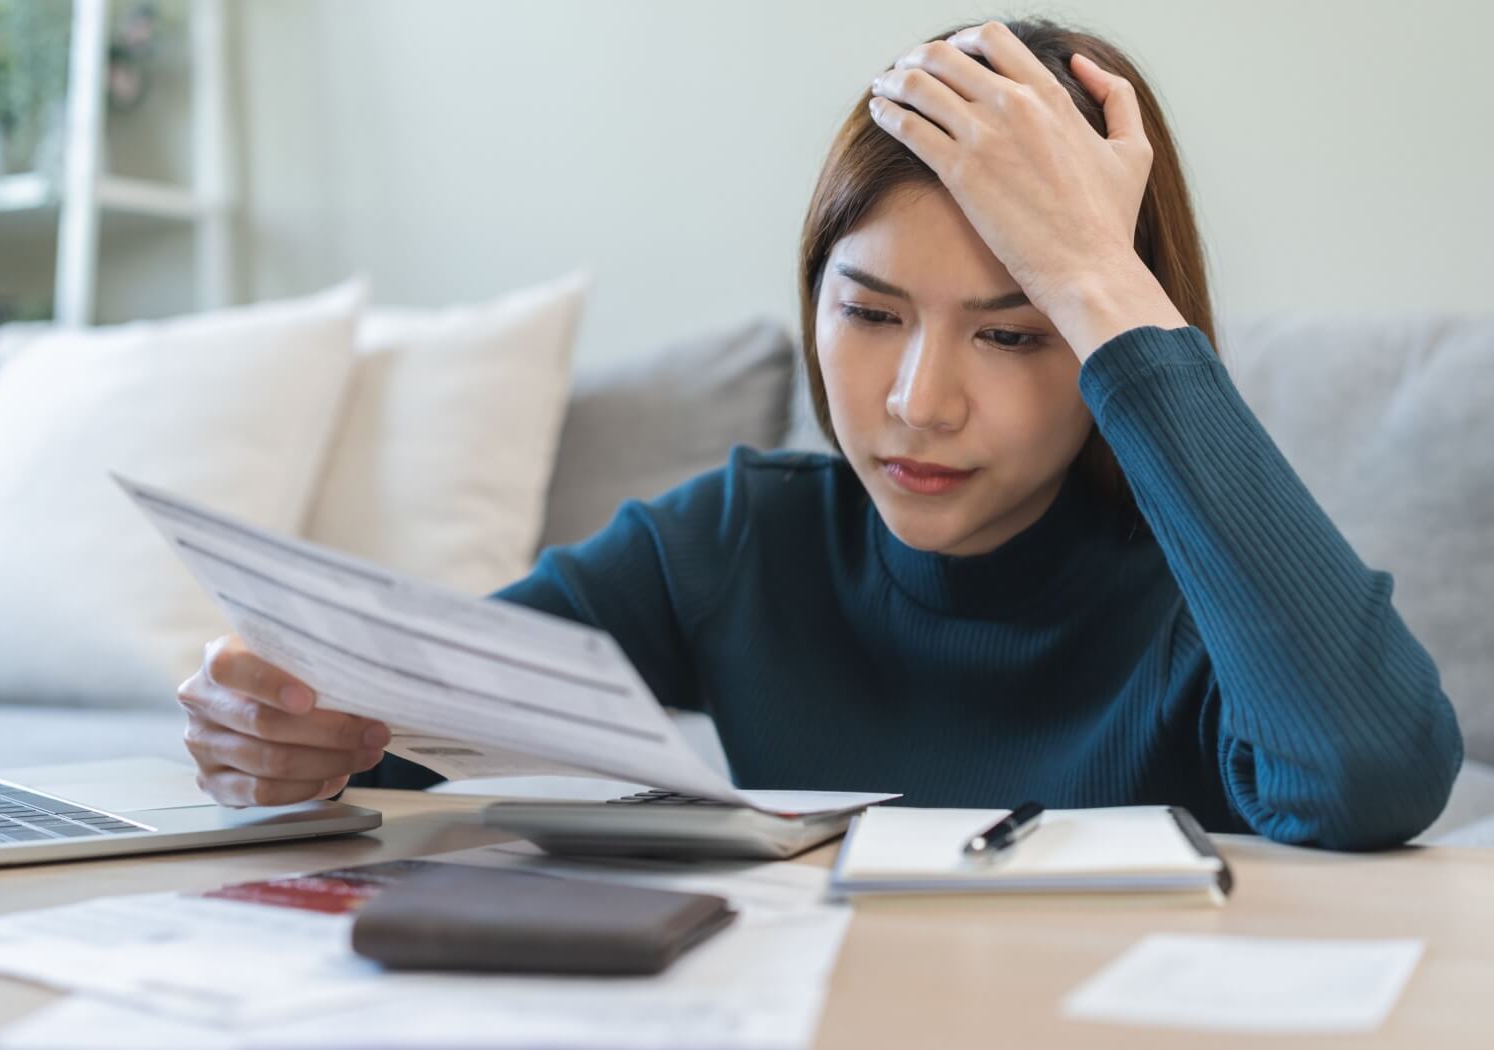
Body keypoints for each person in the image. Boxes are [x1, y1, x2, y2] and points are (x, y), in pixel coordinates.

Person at [176, 18, 1462, 850]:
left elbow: (1370, 776)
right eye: (868, 311)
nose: (915, 401)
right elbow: (412, 724)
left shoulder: (1216, 605)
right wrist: (296, 725)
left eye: (1014, 332)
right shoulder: (738, 540)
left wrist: (1095, 272)